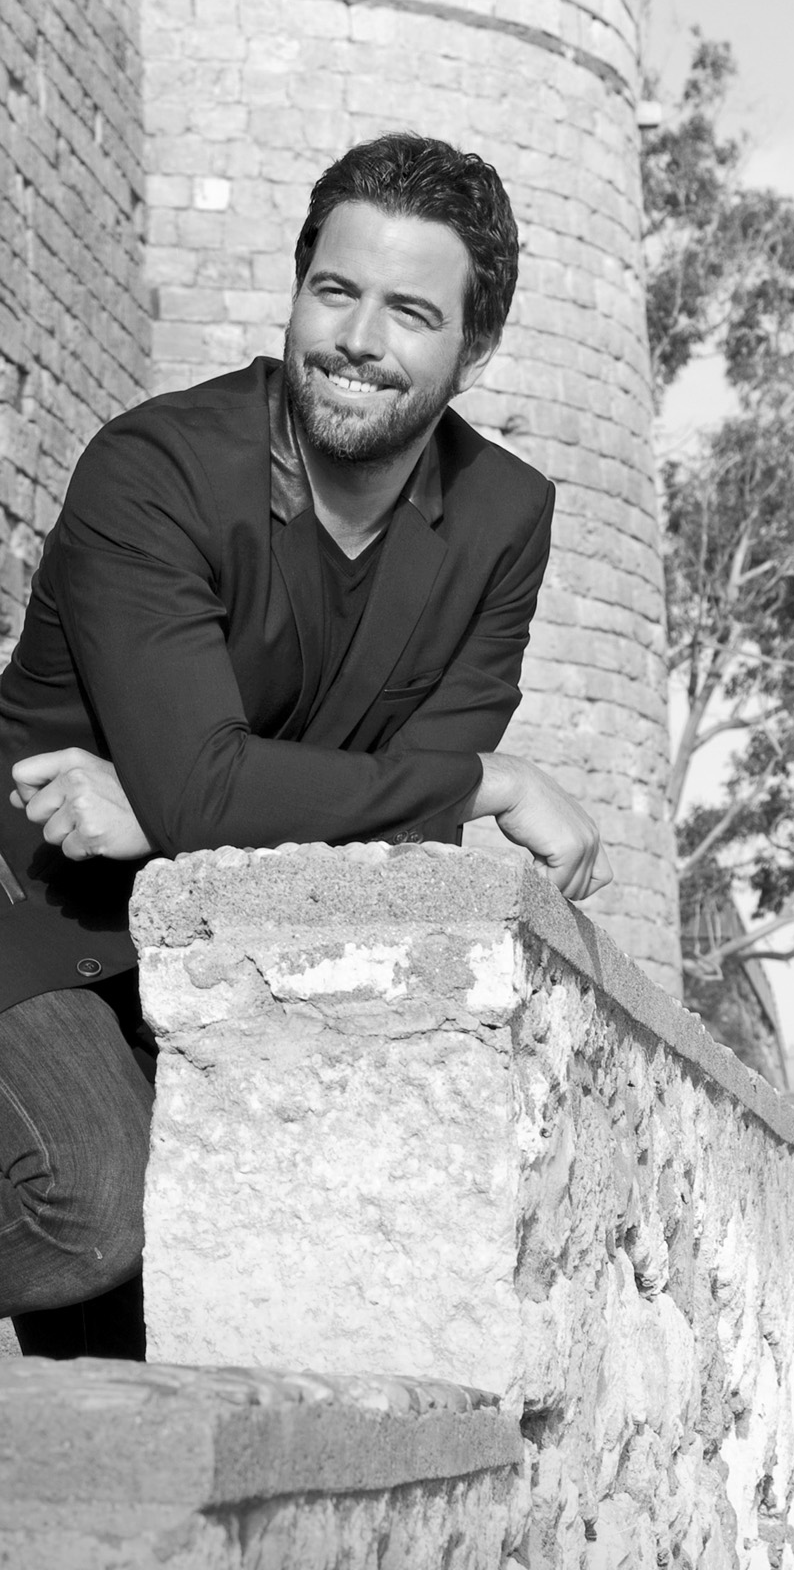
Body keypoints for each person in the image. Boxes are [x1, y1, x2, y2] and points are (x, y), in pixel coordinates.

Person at [0, 131, 610, 1359]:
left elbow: (401, 853)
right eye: (336, 291)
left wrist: (168, 810)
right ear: (296, 292)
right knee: (93, 1203)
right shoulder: (157, 469)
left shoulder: (503, 520)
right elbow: (279, 787)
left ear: (475, 348)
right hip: (35, 915)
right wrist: (487, 780)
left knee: (182, 1353)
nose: (358, 338)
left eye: (410, 312)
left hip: (226, 956)